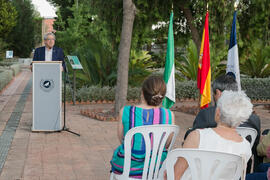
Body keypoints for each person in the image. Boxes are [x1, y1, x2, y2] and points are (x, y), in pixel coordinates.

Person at [184, 74, 261, 172]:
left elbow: (191, 142)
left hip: (208, 170)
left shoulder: (207, 114)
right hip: (239, 171)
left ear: (218, 93)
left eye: (214, 94)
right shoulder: (254, 119)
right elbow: (256, 151)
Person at [171, 90, 252, 180]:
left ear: (218, 113)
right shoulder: (246, 147)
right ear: (240, 120)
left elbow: (175, 175)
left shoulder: (198, 136)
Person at [110, 75, 175, 178]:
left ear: (142, 92)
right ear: (162, 95)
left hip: (129, 166)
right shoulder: (169, 115)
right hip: (157, 168)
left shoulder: (126, 111)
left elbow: (122, 139)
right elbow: (167, 144)